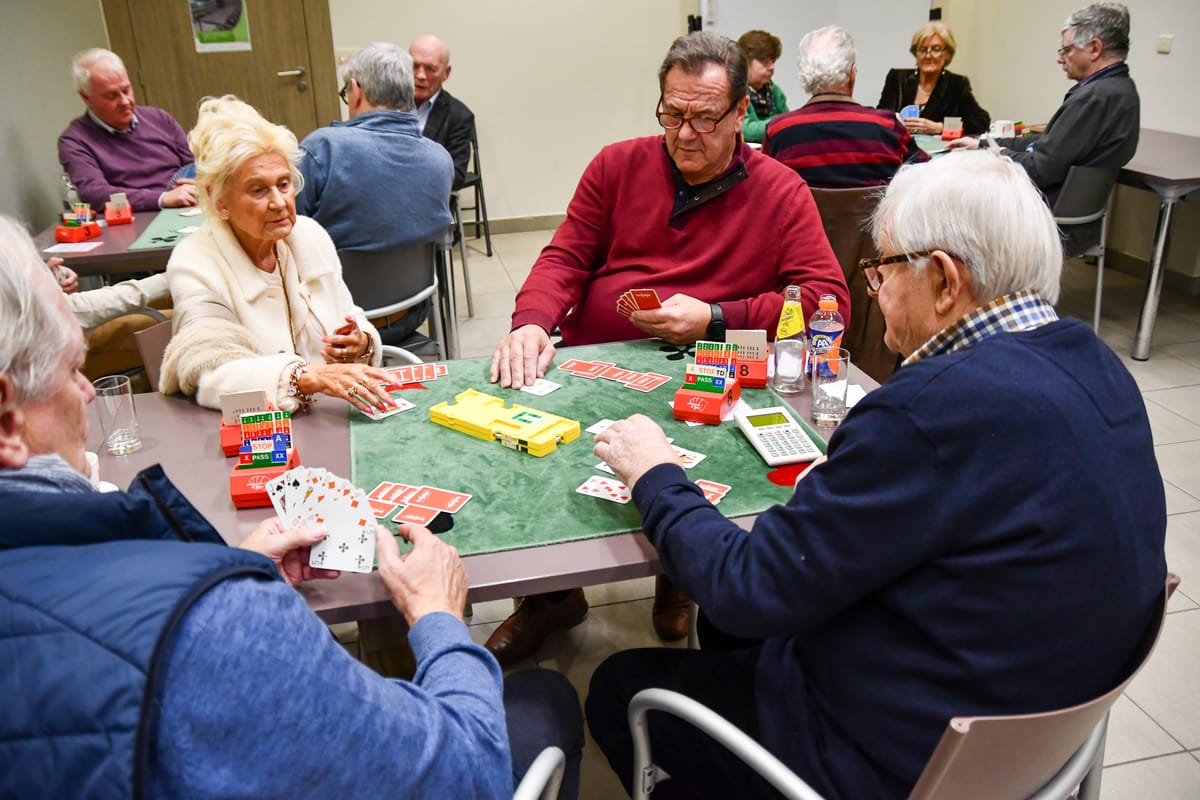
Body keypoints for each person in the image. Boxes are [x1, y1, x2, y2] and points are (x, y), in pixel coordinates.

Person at [583, 150, 1167, 798]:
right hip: (1032, 720)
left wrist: (657, 473)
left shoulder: (926, 408)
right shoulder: (1099, 362)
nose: (874, 292)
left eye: (881, 270)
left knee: (618, 686)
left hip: (891, 758)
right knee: (725, 632)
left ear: (943, 279)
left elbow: (746, 586)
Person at [0, 215, 585, 798]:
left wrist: (237, 565)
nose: (85, 394)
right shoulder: (216, 622)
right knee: (548, 699)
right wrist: (439, 620)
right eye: (76, 369)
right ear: (8, 418)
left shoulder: (309, 239)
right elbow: (465, 772)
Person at [485, 31, 848, 666]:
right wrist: (532, 322)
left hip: (712, 370)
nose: (685, 133)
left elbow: (826, 301)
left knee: (708, 465)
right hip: (600, 359)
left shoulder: (780, 188)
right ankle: (552, 598)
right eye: (672, 114)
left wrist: (716, 316)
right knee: (531, 456)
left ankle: (681, 570)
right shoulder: (615, 165)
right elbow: (565, 255)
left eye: (705, 117)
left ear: (742, 113)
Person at [159, 95, 397, 416]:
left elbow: (350, 313)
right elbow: (208, 372)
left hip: (331, 417)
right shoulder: (196, 261)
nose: (279, 202)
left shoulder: (310, 235)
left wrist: (361, 343)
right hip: (259, 434)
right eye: (258, 190)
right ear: (219, 201)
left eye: (283, 184)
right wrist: (303, 376)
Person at [297, 42, 454, 344]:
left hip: (337, 324)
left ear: (355, 90)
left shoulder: (322, 149)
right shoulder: (440, 159)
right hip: (411, 311)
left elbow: (285, 235)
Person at [949, 3, 1138, 216]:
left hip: (1043, 219)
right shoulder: (1122, 90)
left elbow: (1039, 170)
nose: (1060, 58)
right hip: (1067, 213)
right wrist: (982, 144)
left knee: (953, 191)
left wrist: (996, 153)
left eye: (1067, 50)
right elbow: (1045, 144)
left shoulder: (1094, 98)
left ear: (1094, 48)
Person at [764, 26, 928, 188]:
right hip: (873, 215)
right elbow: (927, 175)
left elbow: (765, 187)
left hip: (804, 216)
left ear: (804, 76)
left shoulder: (777, 131)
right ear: (852, 74)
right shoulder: (888, 126)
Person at [58, 48, 196, 211]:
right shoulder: (75, 140)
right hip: (134, 217)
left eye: (126, 90)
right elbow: (95, 194)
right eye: (111, 96)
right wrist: (161, 198)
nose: (125, 101)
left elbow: (195, 165)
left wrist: (197, 184)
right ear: (85, 97)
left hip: (186, 205)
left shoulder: (160, 119)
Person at [46, 257, 171, 380]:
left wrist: (46, 276)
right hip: (59, 345)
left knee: (174, 298)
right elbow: (71, 312)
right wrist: (164, 281)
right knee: (184, 320)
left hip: (61, 323)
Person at [876, 21, 990, 136]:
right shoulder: (897, 79)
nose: (928, 55)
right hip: (898, 149)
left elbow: (981, 121)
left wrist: (940, 127)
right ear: (915, 53)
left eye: (936, 49)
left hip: (938, 152)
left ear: (947, 54)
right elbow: (880, 117)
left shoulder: (957, 84)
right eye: (923, 49)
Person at [410, 34, 476, 190]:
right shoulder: (388, 103)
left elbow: (456, 175)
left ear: (446, 73)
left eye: (430, 69)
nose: (420, 75)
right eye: (414, 66)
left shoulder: (459, 116)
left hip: (429, 202)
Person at [738, 29, 788, 143]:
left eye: (773, 61)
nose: (771, 67)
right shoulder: (735, 91)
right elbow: (746, 130)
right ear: (745, 62)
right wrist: (780, 123)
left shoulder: (774, 90)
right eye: (765, 62)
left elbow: (788, 124)